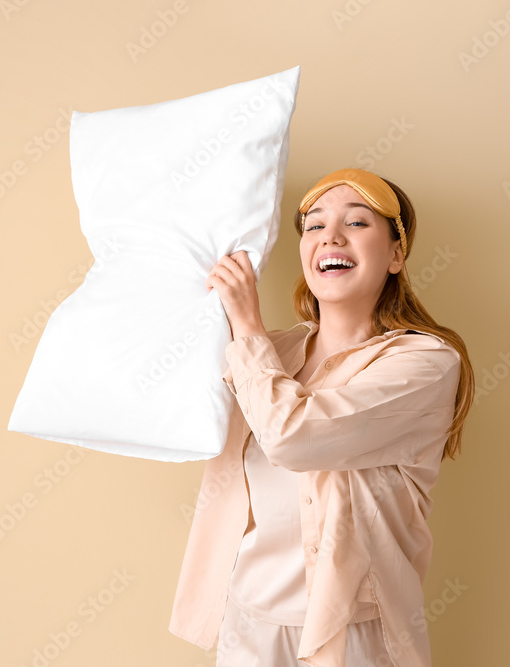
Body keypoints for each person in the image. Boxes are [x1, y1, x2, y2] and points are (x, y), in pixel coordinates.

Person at [169, 168, 474, 666]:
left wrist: (247, 325)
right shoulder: (272, 352)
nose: (330, 235)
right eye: (313, 225)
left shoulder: (425, 363)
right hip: (246, 618)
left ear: (396, 254)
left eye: (357, 223)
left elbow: (293, 438)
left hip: (353, 630)